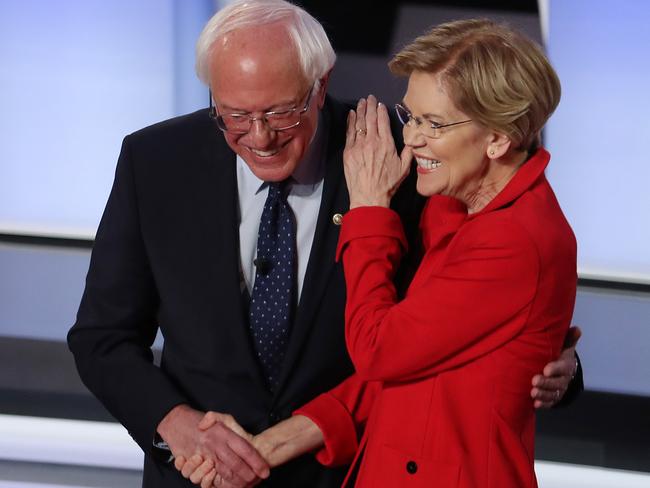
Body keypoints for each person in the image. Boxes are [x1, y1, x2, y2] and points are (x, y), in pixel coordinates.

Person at [67, 2, 581, 486]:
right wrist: (173, 426)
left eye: (281, 112)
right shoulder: (156, 161)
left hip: (339, 473)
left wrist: (550, 361)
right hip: (198, 476)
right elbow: (102, 338)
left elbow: (471, 306)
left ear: (320, 85)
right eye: (235, 115)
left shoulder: (405, 164)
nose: (260, 136)